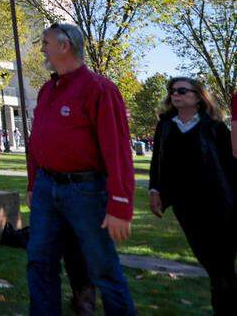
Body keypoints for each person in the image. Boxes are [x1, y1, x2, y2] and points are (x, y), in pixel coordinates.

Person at [26, 23, 136, 316]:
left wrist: (120, 204)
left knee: (102, 267)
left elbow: (117, 150)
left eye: (46, 42)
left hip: (85, 191)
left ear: (65, 46)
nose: (42, 49)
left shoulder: (100, 89)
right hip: (46, 188)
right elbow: (38, 140)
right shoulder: (47, 90)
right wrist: (33, 184)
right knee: (39, 262)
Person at [147, 77, 236, 313]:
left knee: (222, 266)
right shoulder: (166, 125)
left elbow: (230, 167)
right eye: (172, 91)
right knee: (211, 262)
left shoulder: (214, 127)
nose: (175, 94)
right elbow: (157, 162)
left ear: (198, 97)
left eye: (182, 91)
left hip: (218, 205)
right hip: (186, 208)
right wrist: (155, 190)